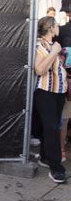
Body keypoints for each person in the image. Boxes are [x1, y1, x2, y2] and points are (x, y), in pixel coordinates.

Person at [34, 16, 67, 183]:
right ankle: (56, 168)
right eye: (57, 25)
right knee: (52, 128)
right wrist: (54, 52)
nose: (59, 28)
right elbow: (39, 70)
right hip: (45, 92)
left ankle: (45, 158)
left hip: (58, 92)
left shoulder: (56, 46)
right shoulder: (40, 46)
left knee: (51, 126)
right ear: (51, 28)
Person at [55, 0, 71, 162]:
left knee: (64, 118)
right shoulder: (62, 31)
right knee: (64, 118)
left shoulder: (62, 31)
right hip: (67, 81)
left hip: (66, 80)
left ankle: (61, 149)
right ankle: (60, 149)